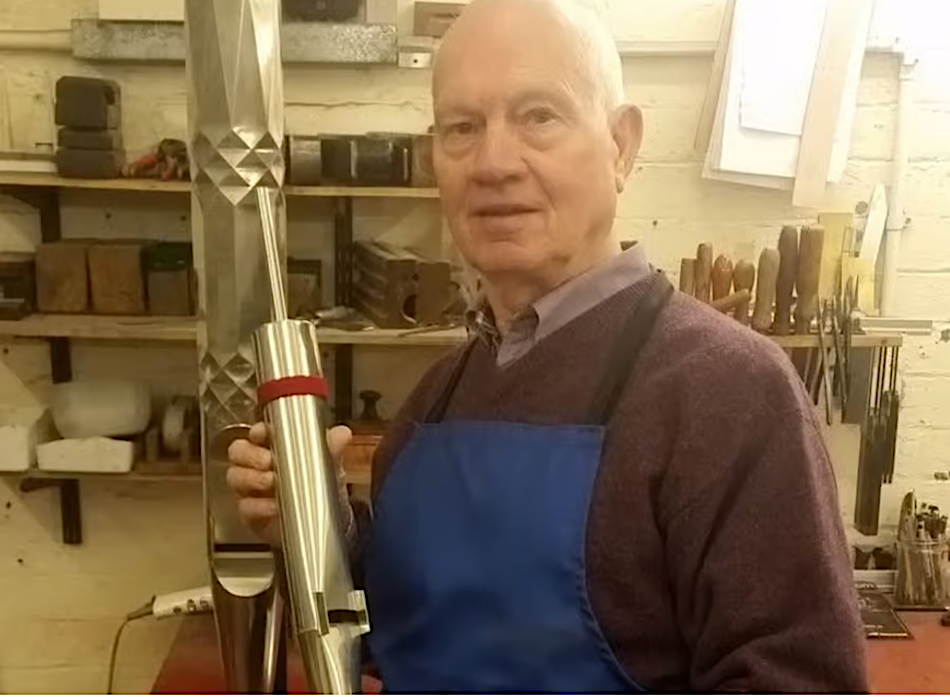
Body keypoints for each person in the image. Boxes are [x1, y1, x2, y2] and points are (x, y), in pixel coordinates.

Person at [227, 0, 869, 691]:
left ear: (621, 144)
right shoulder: (434, 399)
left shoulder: (730, 393)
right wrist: (315, 526)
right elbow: (401, 634)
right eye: (462, 128)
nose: (494, 162)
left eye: (538, 116)